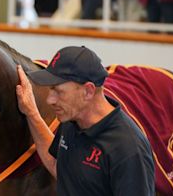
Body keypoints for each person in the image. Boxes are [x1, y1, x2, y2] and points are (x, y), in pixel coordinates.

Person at [16, 46, 155, 195]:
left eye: (59, 92)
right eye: (50, 90)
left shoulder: (128, 149)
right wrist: (31, 112)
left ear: (88, 91)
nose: (50, 100)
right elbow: (60, 169)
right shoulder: (71, 120)